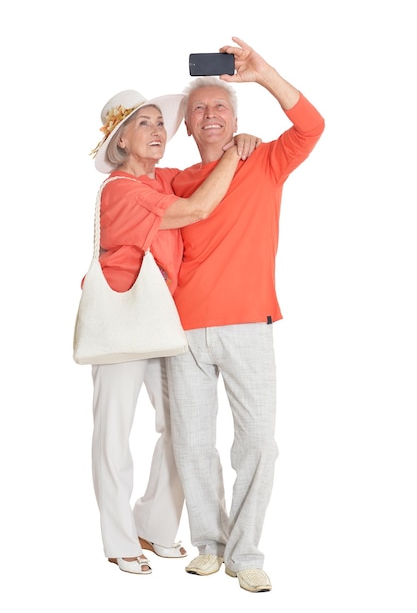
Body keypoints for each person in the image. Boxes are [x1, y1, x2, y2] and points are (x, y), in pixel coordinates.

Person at [166, 37, 325, 592]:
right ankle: (209, 545)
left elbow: (311, 126)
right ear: (186, 125)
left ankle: (245, 552)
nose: (210, 115)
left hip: (249, 323)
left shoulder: (265, 163)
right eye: (199, 110)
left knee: (258, 443)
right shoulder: (173, 181)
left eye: (220, 107)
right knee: (191, 443)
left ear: (234, 117)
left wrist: (262, 74)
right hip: (181, 329)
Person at [87, 88, 260, 575]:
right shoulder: (122, 189)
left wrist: (232, 135)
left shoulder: (163, 179)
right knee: (113, 433)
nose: (159, 130)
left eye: (161, 123)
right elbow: (198, 210)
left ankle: (156, 524)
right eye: (144, 124)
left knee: (182, 429)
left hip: (163, 321)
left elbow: (198, 184)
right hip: (120, 321)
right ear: (121, 142)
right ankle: (119, 539)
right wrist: (232, 152)